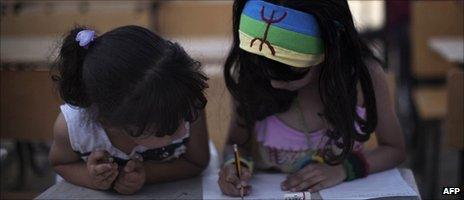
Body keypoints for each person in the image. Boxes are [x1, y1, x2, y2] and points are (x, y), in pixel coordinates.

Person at [218, 0, 406, 196]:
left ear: (331, 48)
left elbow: (394, 149)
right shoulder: (252, 79)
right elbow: (237, 145)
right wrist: (234, 166)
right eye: (265, 67)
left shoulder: (362, 78)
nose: (274, 83)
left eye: (290, 72)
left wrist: (344, 169)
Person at [49, 25, 210, 194]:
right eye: (166, 130)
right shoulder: (73, 128)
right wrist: (91, 178)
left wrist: (147, 174)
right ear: (111, 123)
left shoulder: (186, 105)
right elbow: (60, 163)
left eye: (185, 116)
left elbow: (196, 162)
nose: (185, 128)